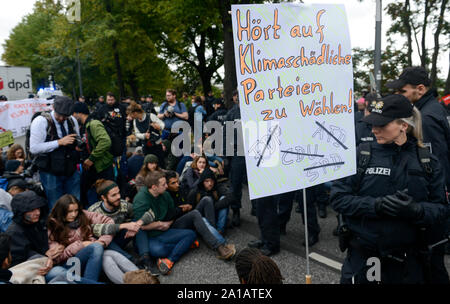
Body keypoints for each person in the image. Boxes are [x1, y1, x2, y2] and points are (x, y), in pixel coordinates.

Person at [330, 94, 449, 284]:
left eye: (382, 124)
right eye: (372, 123)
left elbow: (442, 209)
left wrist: (417, 211)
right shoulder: (361, 154)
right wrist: (375, 205)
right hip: (367, 258)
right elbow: (338, 198)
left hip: (410, 262)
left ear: (404, 125)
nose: (374, 129)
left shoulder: (427, 161)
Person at [387, 66, 450, 191]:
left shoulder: (426, 117)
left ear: (420, 89)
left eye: (402, 91)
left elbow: (435, 160)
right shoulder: (433, 107)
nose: (397, 95)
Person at [133, 171, 196, 275]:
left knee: (191, 234)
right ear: (154, 187)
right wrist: (160, 224)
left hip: (164, 231)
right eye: (163, 184)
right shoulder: (141, 199)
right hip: (150, 235)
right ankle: (182, 246)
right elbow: (141, 226)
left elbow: (171, 213)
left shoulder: (165, 194)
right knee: (161, 250)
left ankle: (169, 260)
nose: (166, 186)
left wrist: (169, 223)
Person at [47, 194, 113, 282]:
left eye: (76, 210)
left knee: (109, 254)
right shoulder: (53, 225)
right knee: (96, 248)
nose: (74, 214)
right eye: (69, 211)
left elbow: (109, 222)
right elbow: (57, 257)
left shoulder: (83, 214)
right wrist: (80, 245)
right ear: (61, 211)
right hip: (68, 263)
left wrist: (102, 241)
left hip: (86, 257)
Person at [29, 95, 81, 209]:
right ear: (53, 107)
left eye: (65, 116)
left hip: (71, 170)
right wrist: (59, 142)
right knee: (56, 206)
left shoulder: (72, 121)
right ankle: (57, 226)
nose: (62, 118)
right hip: (50, 172)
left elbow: (77, 137)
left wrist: (78, 144)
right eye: (59, 115)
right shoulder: (41, 121)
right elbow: (34, 148)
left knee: (75, 203)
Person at [88, 179, 155, 261]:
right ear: (103, 198)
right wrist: (125, 225)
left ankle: (145, 257)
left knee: (136, 223)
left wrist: (137, 224)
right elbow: (94, 230)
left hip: (121, 238)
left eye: (118, 193)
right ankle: (131, 260)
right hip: (107, 245)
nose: (119, 197)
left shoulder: (123, 205)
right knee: (104, 237)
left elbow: (150, 214)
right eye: (114, 195)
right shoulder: (94, 211)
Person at [72, 102, 114, 207]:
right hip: (91, 167)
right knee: (84, 191)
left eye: (73, 114)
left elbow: (105, 141)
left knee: (106, 193)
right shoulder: (84, 126)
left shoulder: (94, 124)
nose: (72, 117)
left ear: (78, 113)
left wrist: (92, 158)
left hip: (101, 167)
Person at [224, 90, 246, 227]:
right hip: (238, 152)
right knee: (236, 183)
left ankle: (256, 207)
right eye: (236, 95)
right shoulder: (231, 114)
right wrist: (227, 156)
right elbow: (226, 136)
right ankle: (236, 210)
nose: (238, 97)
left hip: (254, 151)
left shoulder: (254, 110)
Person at [186, 168, 231, 235]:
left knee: (224, 198)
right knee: (207, 199)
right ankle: (213, 231)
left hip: (214, 213)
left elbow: (231, 197)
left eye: (211, 181)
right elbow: (190, 211)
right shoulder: (195, 191)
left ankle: (219, 230)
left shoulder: (217, 187)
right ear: (202, 181)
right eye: (206, 181)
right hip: (201, 216)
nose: (210, 184)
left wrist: (214, 207)